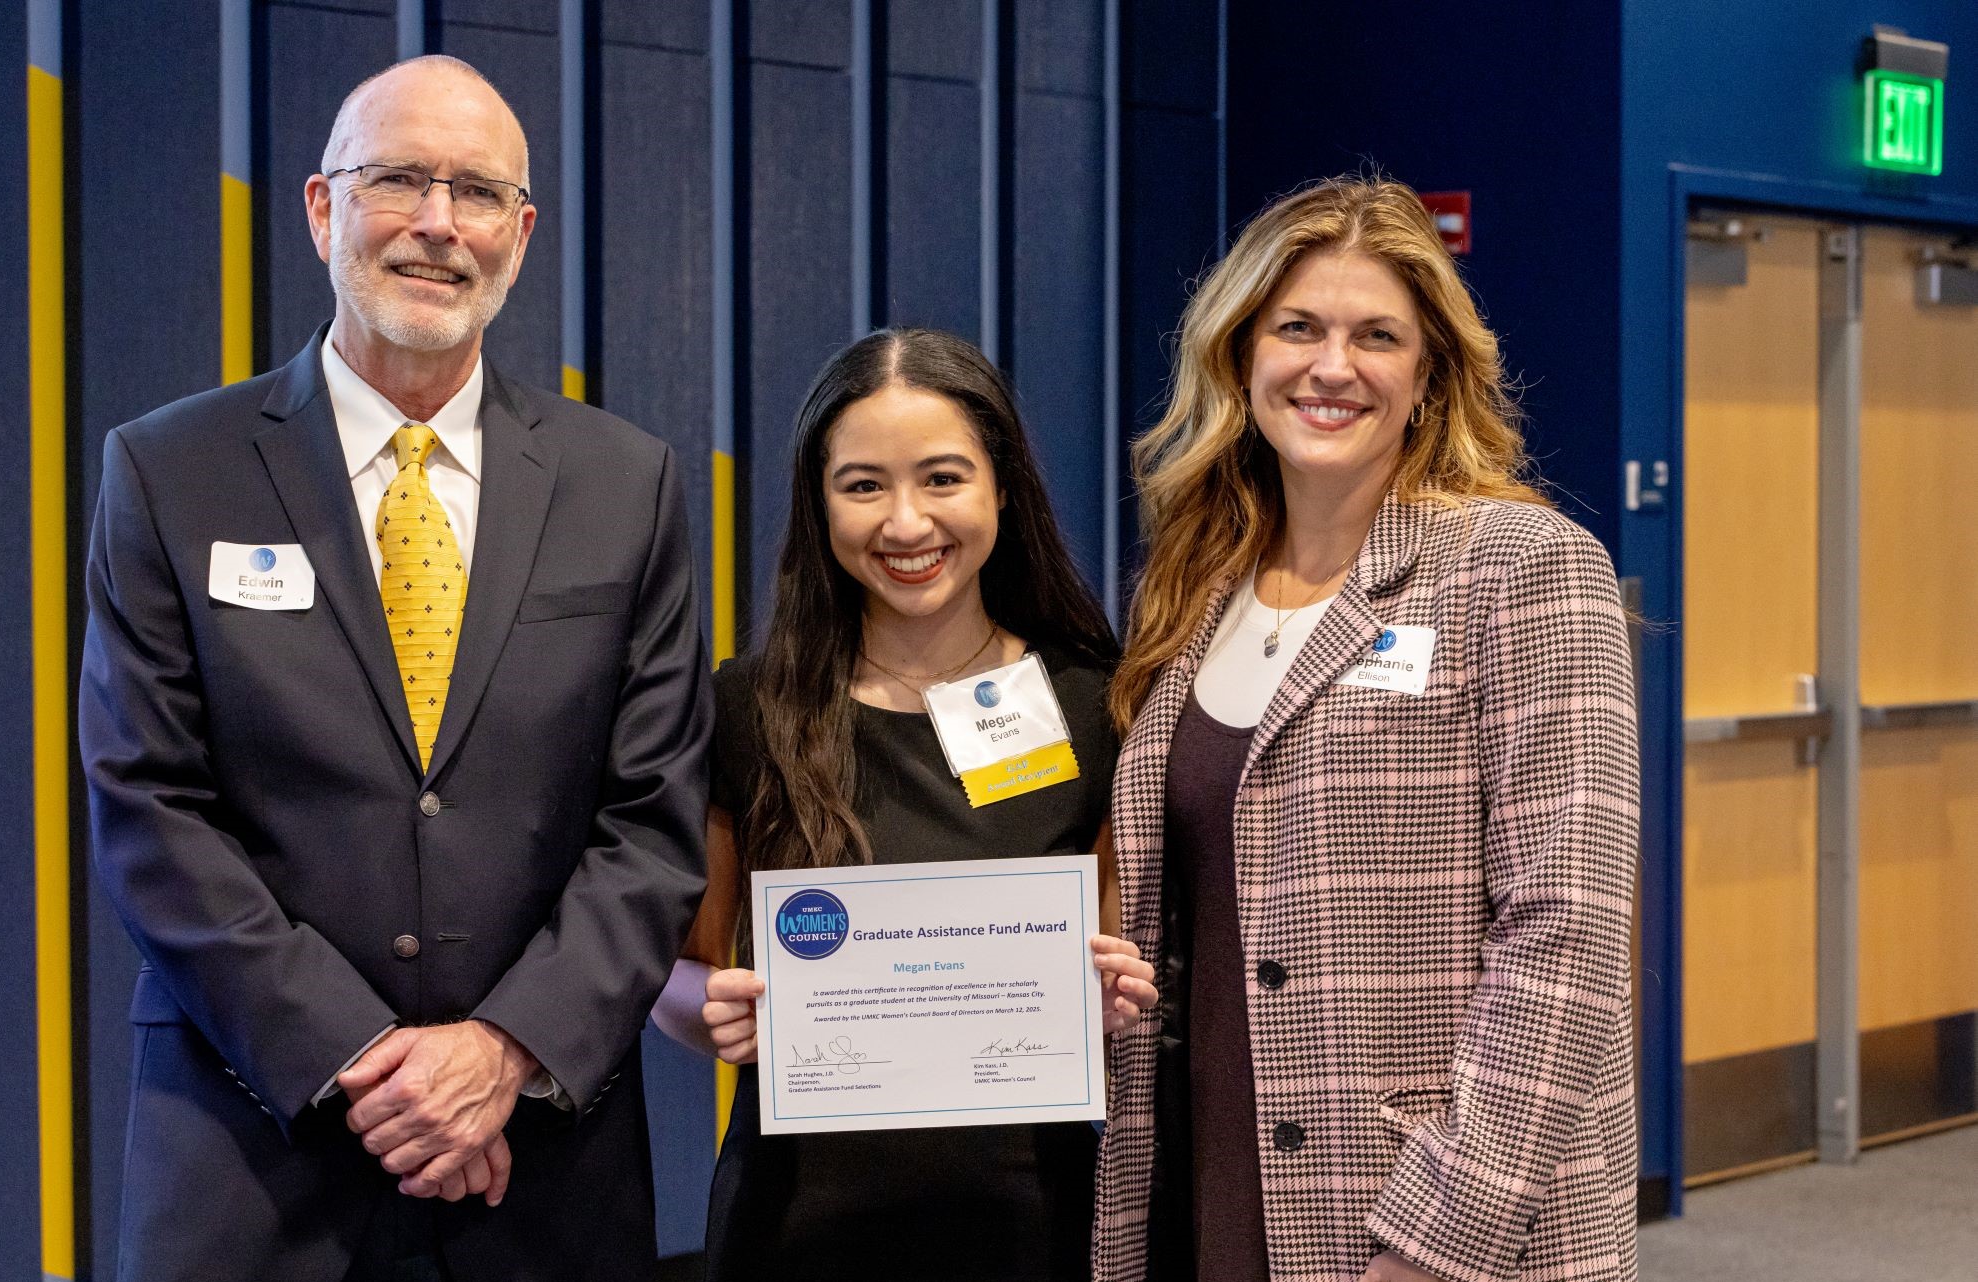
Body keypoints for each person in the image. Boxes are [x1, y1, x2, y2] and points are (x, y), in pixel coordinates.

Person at [79, 55, 709, 1282]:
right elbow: (149, 806)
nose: (437, 221)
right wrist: (370, 1063)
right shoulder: (170, 472)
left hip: (539, 1166)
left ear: (520, 233)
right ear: (322, 208)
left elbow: (653, 817)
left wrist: (501, 1052)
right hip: (254, 1155)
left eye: (476, 192)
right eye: (399, 179)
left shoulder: (625, 483)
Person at [1093, 176, 1639, 1282]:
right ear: (1241, 354)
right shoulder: (1194, 588)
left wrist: (1436, 1240)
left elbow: (1567, 932)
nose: (1331, 367)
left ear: (1427, 373)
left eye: (1375, 336)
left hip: (1424, 1208)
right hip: (1208, 1169)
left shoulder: (1521, 568)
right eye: (1297, 327)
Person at [651, 328, 1158, 1282]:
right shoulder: (748, 710)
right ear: (820, 503)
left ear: (1001, 488)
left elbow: (1117, 959)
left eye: (942, 478)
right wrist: (706, 1013)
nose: (907, 522)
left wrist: (1116, 998)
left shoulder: (1099, 706)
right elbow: (680, 975)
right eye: (863, 486)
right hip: (795, 1233)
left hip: (1031, 1227)